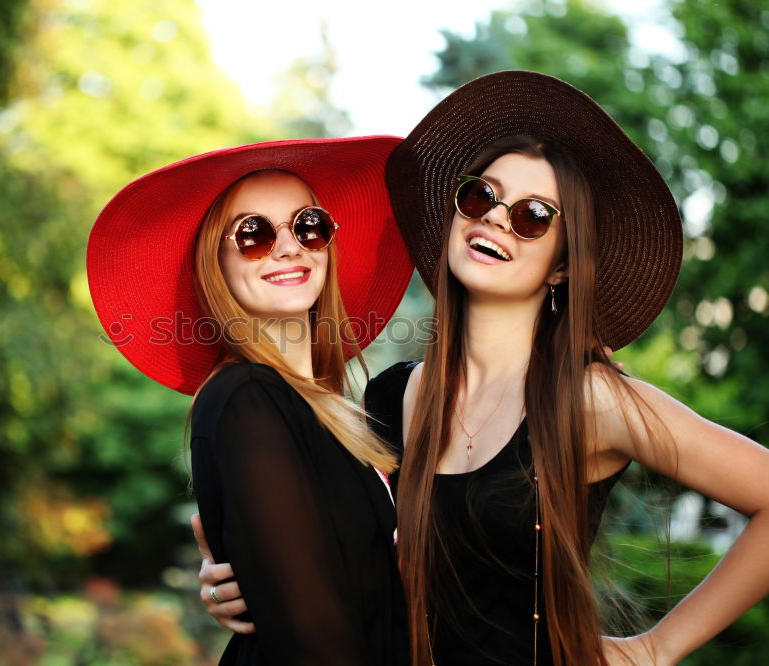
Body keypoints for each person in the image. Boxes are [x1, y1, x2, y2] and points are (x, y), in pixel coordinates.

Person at [199, 71, 769, 666]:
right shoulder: (388, 399)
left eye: (533, 216)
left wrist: (656, 648)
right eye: (481, 196)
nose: (497, 218)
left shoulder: (590, 398)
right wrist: (228, 576)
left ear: (562, 267)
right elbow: (313, 541)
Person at [86, 137, 414, 665]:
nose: (289, 247)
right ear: (214, 264)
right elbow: (313, 637)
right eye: (253, 234)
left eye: (308, 225)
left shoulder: (338, 414)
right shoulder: (247, 398)